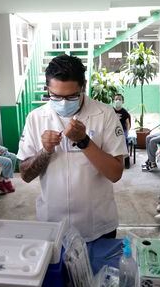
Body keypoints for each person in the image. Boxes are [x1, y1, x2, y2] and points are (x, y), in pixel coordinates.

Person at [18, 54, 127, 242]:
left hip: (98, 226)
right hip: (52, 226)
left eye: (71, 96)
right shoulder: (36, 118)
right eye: (56, 96)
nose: (63, 102)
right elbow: (25, 175)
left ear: (83, 86)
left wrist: (84, 141)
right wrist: (45, 151)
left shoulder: (105, 114)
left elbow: (116, 173)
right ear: (47, 88)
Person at [113, 93, 131, 168]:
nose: (118, 101)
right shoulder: (111, 110)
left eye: (119, 99)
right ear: (113, 101)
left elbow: (128, 124)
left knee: (125, 140)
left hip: (123, 129)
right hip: (113, 129)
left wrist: (127, 132)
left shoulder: (125, 112)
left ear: (122, 101)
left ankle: (127, 161)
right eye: (116, 99)